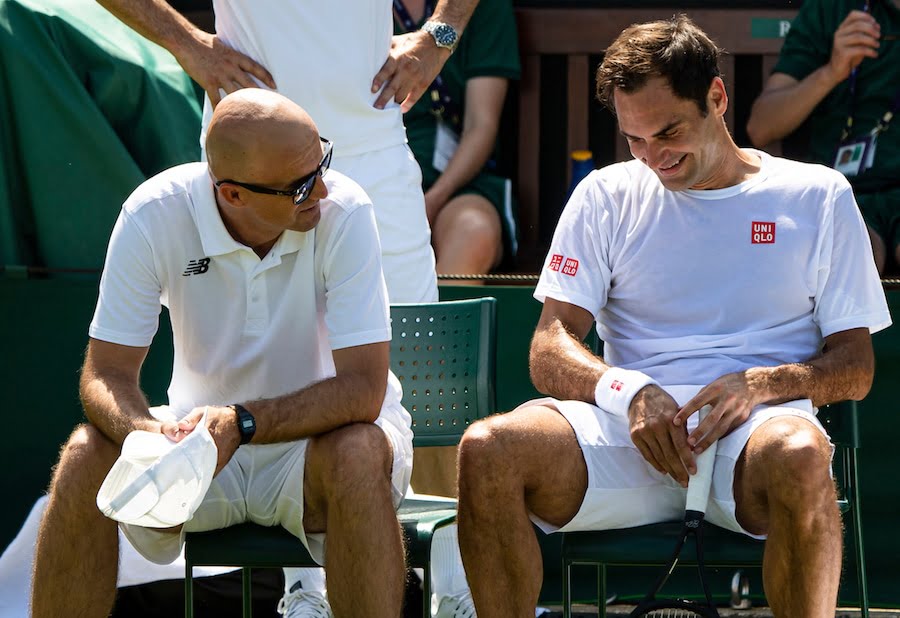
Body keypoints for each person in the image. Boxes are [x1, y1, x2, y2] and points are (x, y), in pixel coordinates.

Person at [454, 15, 891, 618]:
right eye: (634, 139)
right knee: (488, 447)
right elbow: (549, 345)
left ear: (717, 97)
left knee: (800, 455)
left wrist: (763, 384)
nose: (653, 157)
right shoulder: (603, 194)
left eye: (668, 132)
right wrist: (628, 392)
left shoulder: (819, 194)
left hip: (756, 440)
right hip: (628, 435)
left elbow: (856, 367)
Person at [95, 1, 482, 613]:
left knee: (418, 378)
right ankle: (308, 592)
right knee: (284, 359)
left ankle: (452, 594)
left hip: (375, 138)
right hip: (251, 155)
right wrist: (186, 42)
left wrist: (441, 33)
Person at [29, 89, 415, 618]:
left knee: (359, 451)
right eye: (301, 185)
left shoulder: (345, 211)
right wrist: (148, 435)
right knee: (83, 454)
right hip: (200, 451)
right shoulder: (151, 214)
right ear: (232, 195)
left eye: (322, 161)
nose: (323, 190)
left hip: (321, 452)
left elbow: (363, 391)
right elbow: (106, 373)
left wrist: (242, 423)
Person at [746, 0, 900, 275]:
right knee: (851, 255)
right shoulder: (831, 9)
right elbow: (762, 127)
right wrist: (832, 70)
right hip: (843, 192)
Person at [393, 0, 520, 280]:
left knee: (473, 231)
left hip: (458, 185)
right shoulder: (350, 11)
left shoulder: (483, 7)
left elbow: (481, 126)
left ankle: (432, 326)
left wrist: (431, 201)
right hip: (372, 178)